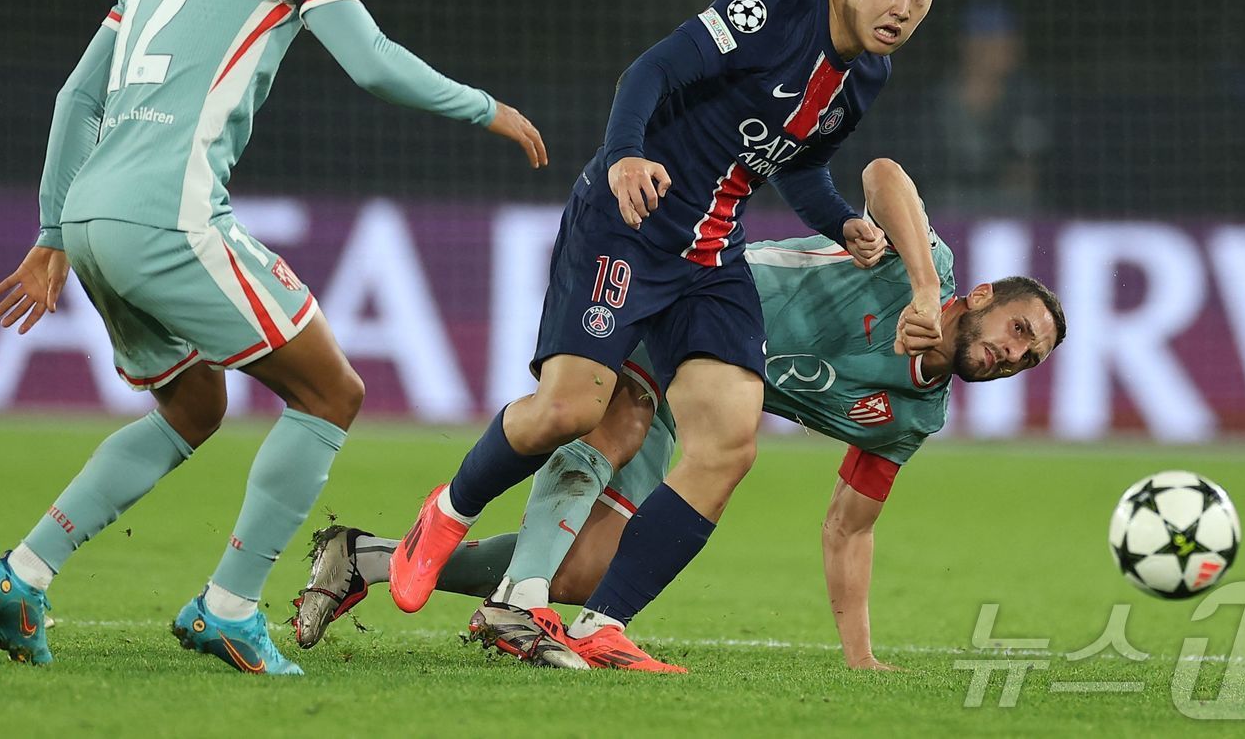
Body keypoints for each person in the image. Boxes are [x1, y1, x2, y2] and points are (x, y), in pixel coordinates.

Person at [0, 0, 544, 674]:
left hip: (93, 215)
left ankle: (24, 570)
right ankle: (230, 605)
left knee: (194, 404)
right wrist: (486, 107)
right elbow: (374, 60)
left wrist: (54, 230)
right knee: (330, 392)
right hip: (171, 212)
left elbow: (73, 101)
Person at [386, 0, 955, 671]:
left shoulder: (868, 76)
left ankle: (600, 622)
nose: (904, 8)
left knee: (728, 441)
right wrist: (624, 154)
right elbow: (651, 68)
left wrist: (838, 223)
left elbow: (803, 160)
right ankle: (445, 512)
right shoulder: (773, 12)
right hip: (628, 218)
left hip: (712, 254)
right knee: (569, 408)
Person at [294, 158, 1065, 670]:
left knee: (587, 567)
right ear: (986, 295)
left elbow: (850, 525)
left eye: (1031, 358)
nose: (1014, 354)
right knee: (615, 419)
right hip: (692, 304)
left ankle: (366, 556)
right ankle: (518, 607)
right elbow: (883, 174)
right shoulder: (922, 266)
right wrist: (926, 284)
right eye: (1020, 331)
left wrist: (859, 656)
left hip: (702, 398)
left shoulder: (914, 416)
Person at [925, 1, 1051, 215]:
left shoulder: (1027, 100)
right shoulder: (935, 101)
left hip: (1009, 209)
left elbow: (1027, 174)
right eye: (994, 41)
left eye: (1008, 41)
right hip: (947, 205)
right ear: (969, 46)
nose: (1006, 49)